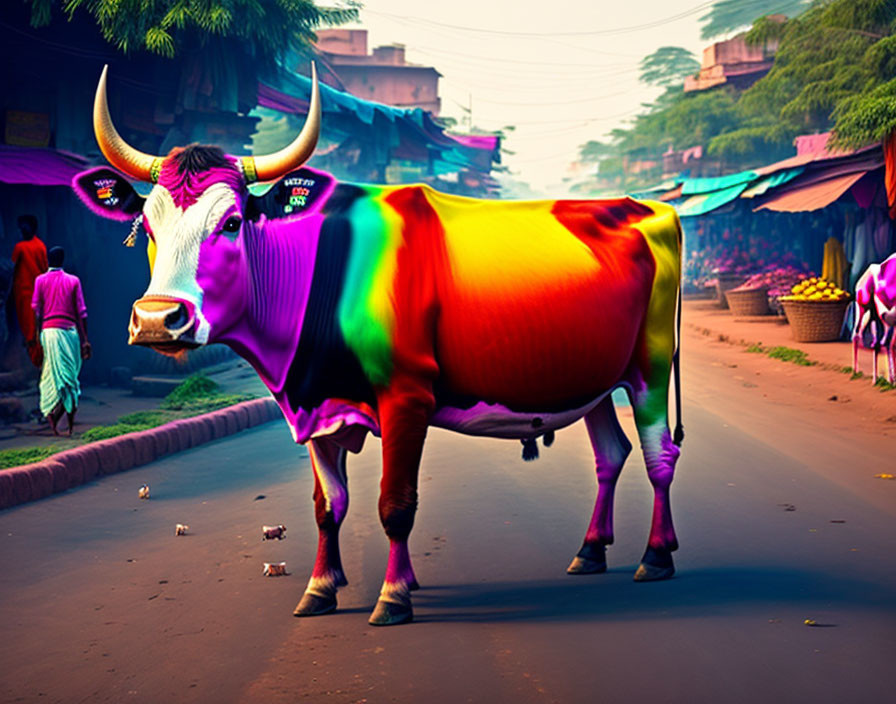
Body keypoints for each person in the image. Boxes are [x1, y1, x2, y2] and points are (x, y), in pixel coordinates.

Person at [31, 247, 91, 436]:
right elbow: (82, 313)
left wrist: (37, 335)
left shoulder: (40, 280)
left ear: (48, 259)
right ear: (63, 259)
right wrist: (85, 340)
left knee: (53, 376)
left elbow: (37, 311)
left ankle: (54, 417)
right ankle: (66, 421)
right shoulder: (73, 281)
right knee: (69, 378)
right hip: (69, 333)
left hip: (49, 333)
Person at [11, 215, 48, 366]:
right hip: (30, 293)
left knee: (30, 330)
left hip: (27, 293)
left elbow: (12, 268)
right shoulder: (39, 246)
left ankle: (36, 363)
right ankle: (37, 363)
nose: (22, 229)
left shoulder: (21, 247)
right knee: (33, 329)